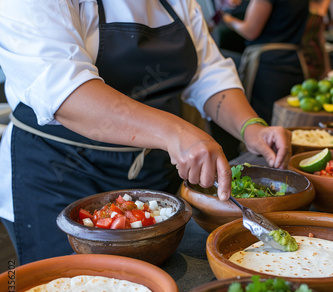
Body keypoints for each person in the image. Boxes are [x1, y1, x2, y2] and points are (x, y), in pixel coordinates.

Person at [0, 0, 292, 265]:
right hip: (59, 174)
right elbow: (67, 93)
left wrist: (249, 126)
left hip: (151, 177)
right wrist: (175, 132)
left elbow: (207, 73)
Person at [221, 0, 310, 124]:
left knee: (265, 125)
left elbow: (250, 31)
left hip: (269, 66)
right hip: (295, 60)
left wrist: (226, 19)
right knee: (290, 123)